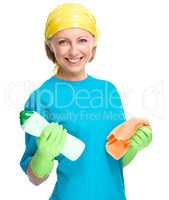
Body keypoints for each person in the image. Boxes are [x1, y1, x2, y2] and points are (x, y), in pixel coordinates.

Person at [20, 3, 152, 200]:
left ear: (93, 42)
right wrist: (44, 155)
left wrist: (134, 146)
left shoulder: (108, 91)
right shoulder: (42, 96)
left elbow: (116, 159)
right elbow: (35, 178)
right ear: (50, 44)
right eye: (63, 42)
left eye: (82, 40)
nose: (74, 51)